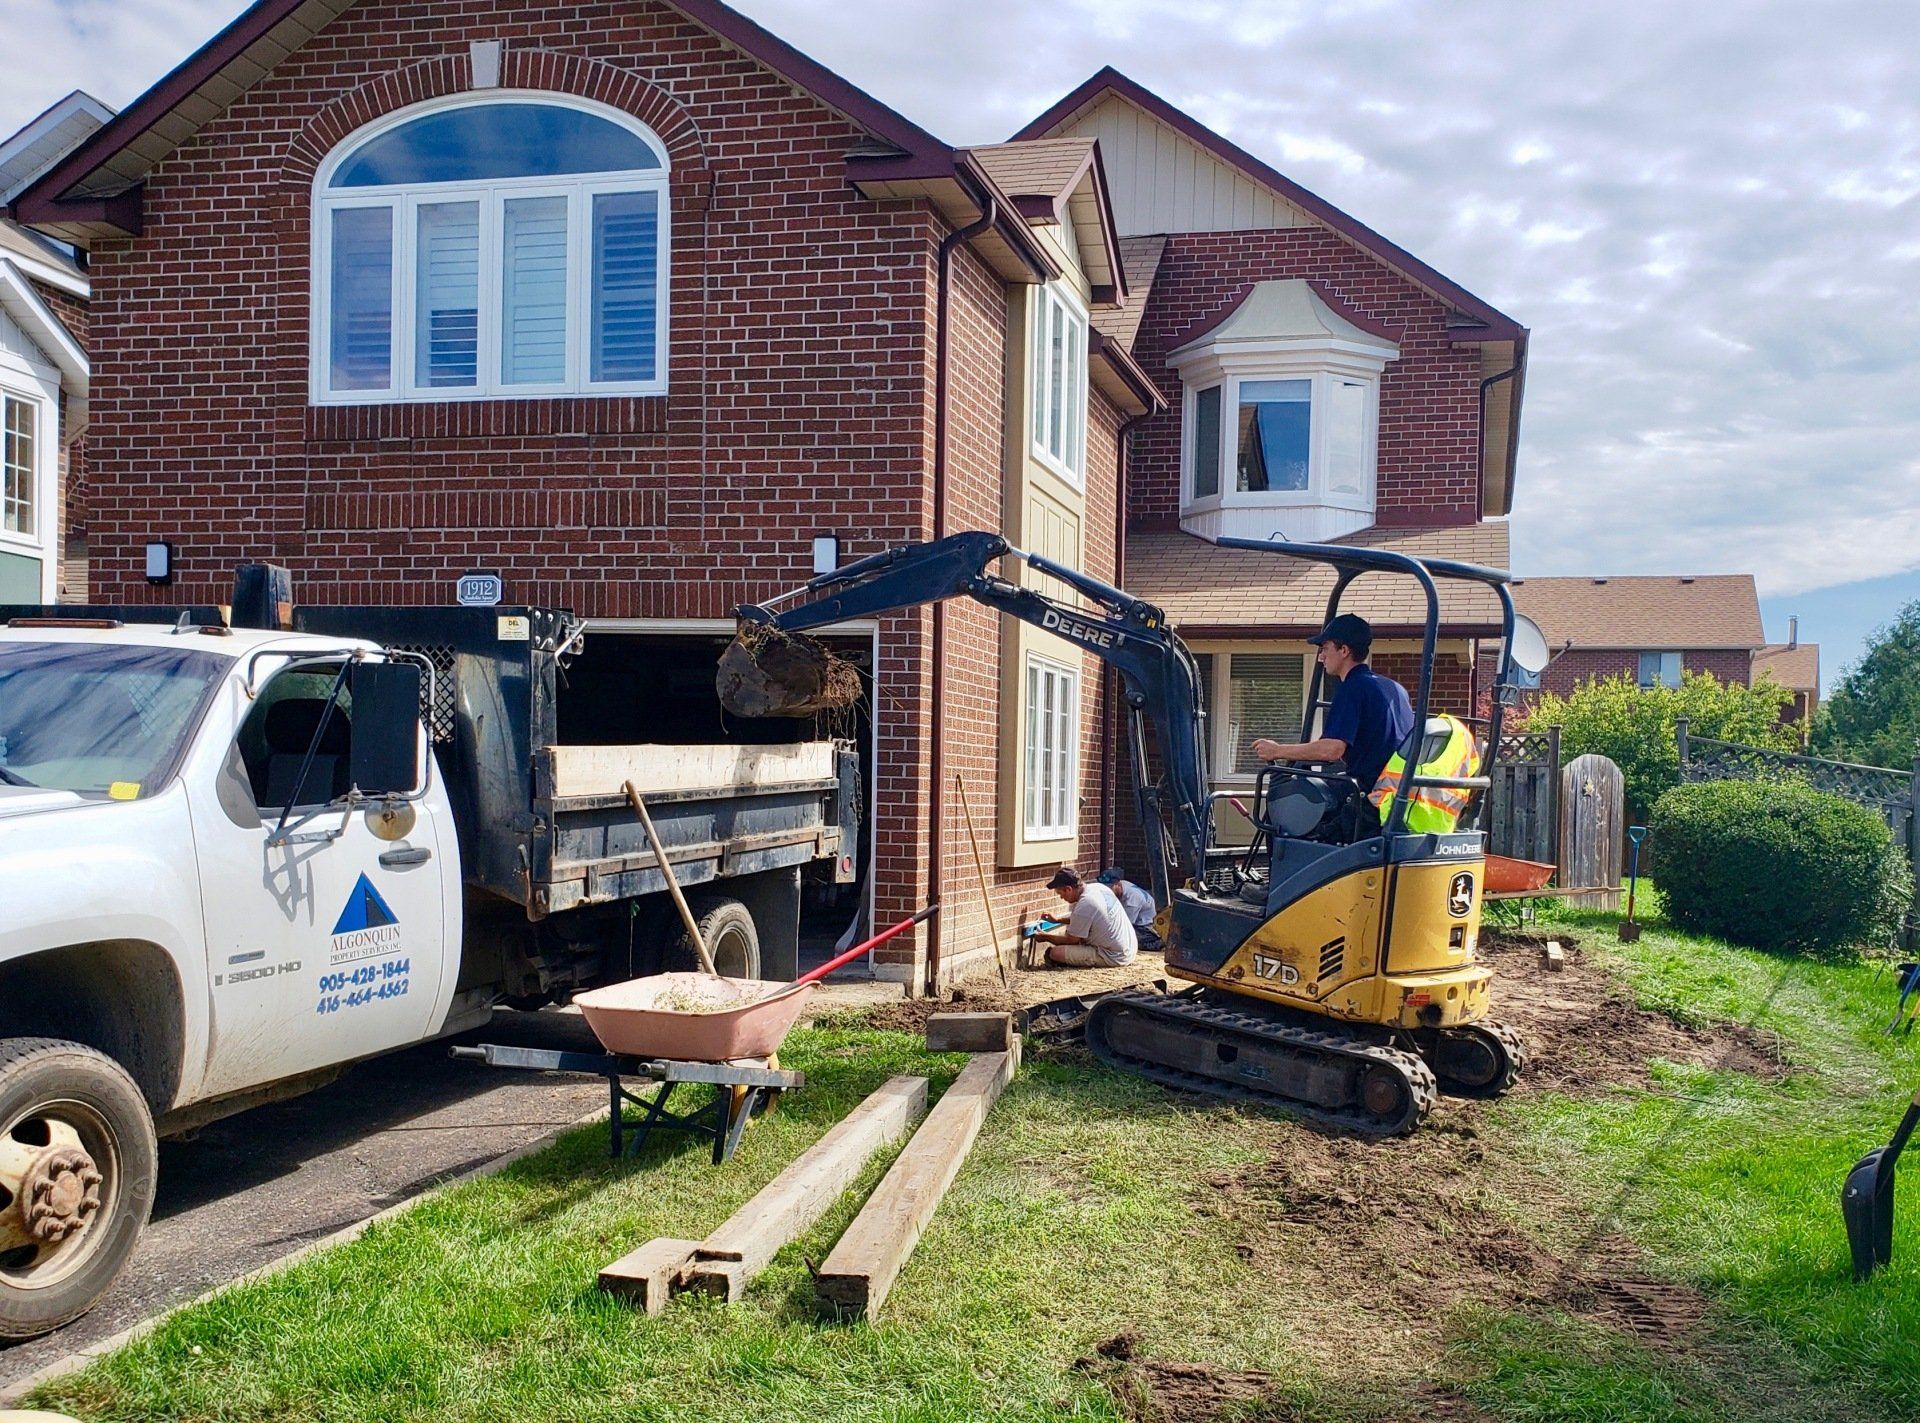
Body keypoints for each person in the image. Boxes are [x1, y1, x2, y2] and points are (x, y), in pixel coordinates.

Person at [1249, 612, 1414, 838]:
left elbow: (1331, 750)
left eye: (1325, 648)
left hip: (1367, 799)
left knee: (1287, 814)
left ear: (1344, 650)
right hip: (1394, 796)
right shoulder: (1395, 689)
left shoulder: (1353, 688)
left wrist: (1277, 750)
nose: (1321, 657)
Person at [1031, 867, 1138, 967]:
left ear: (1068, 889)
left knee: (1055, 953)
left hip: (1114, 956)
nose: (1061, 897)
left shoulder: (1085, 904)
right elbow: (1087, 919)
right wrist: (1058, 920)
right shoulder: (1098, 888)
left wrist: (1045, 937)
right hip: (1130, 948)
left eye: (1060, 893)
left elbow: (1072, 940)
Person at [1097, 866, 1162, 951]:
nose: (1107, 891)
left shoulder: (1132, 901)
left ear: (1118, 884)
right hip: (1134, 921)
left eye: (1110, 888)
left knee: (1122, 940)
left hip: (1144, 927)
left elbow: (1125, 926)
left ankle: (1156, 943)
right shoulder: (1122, 885)